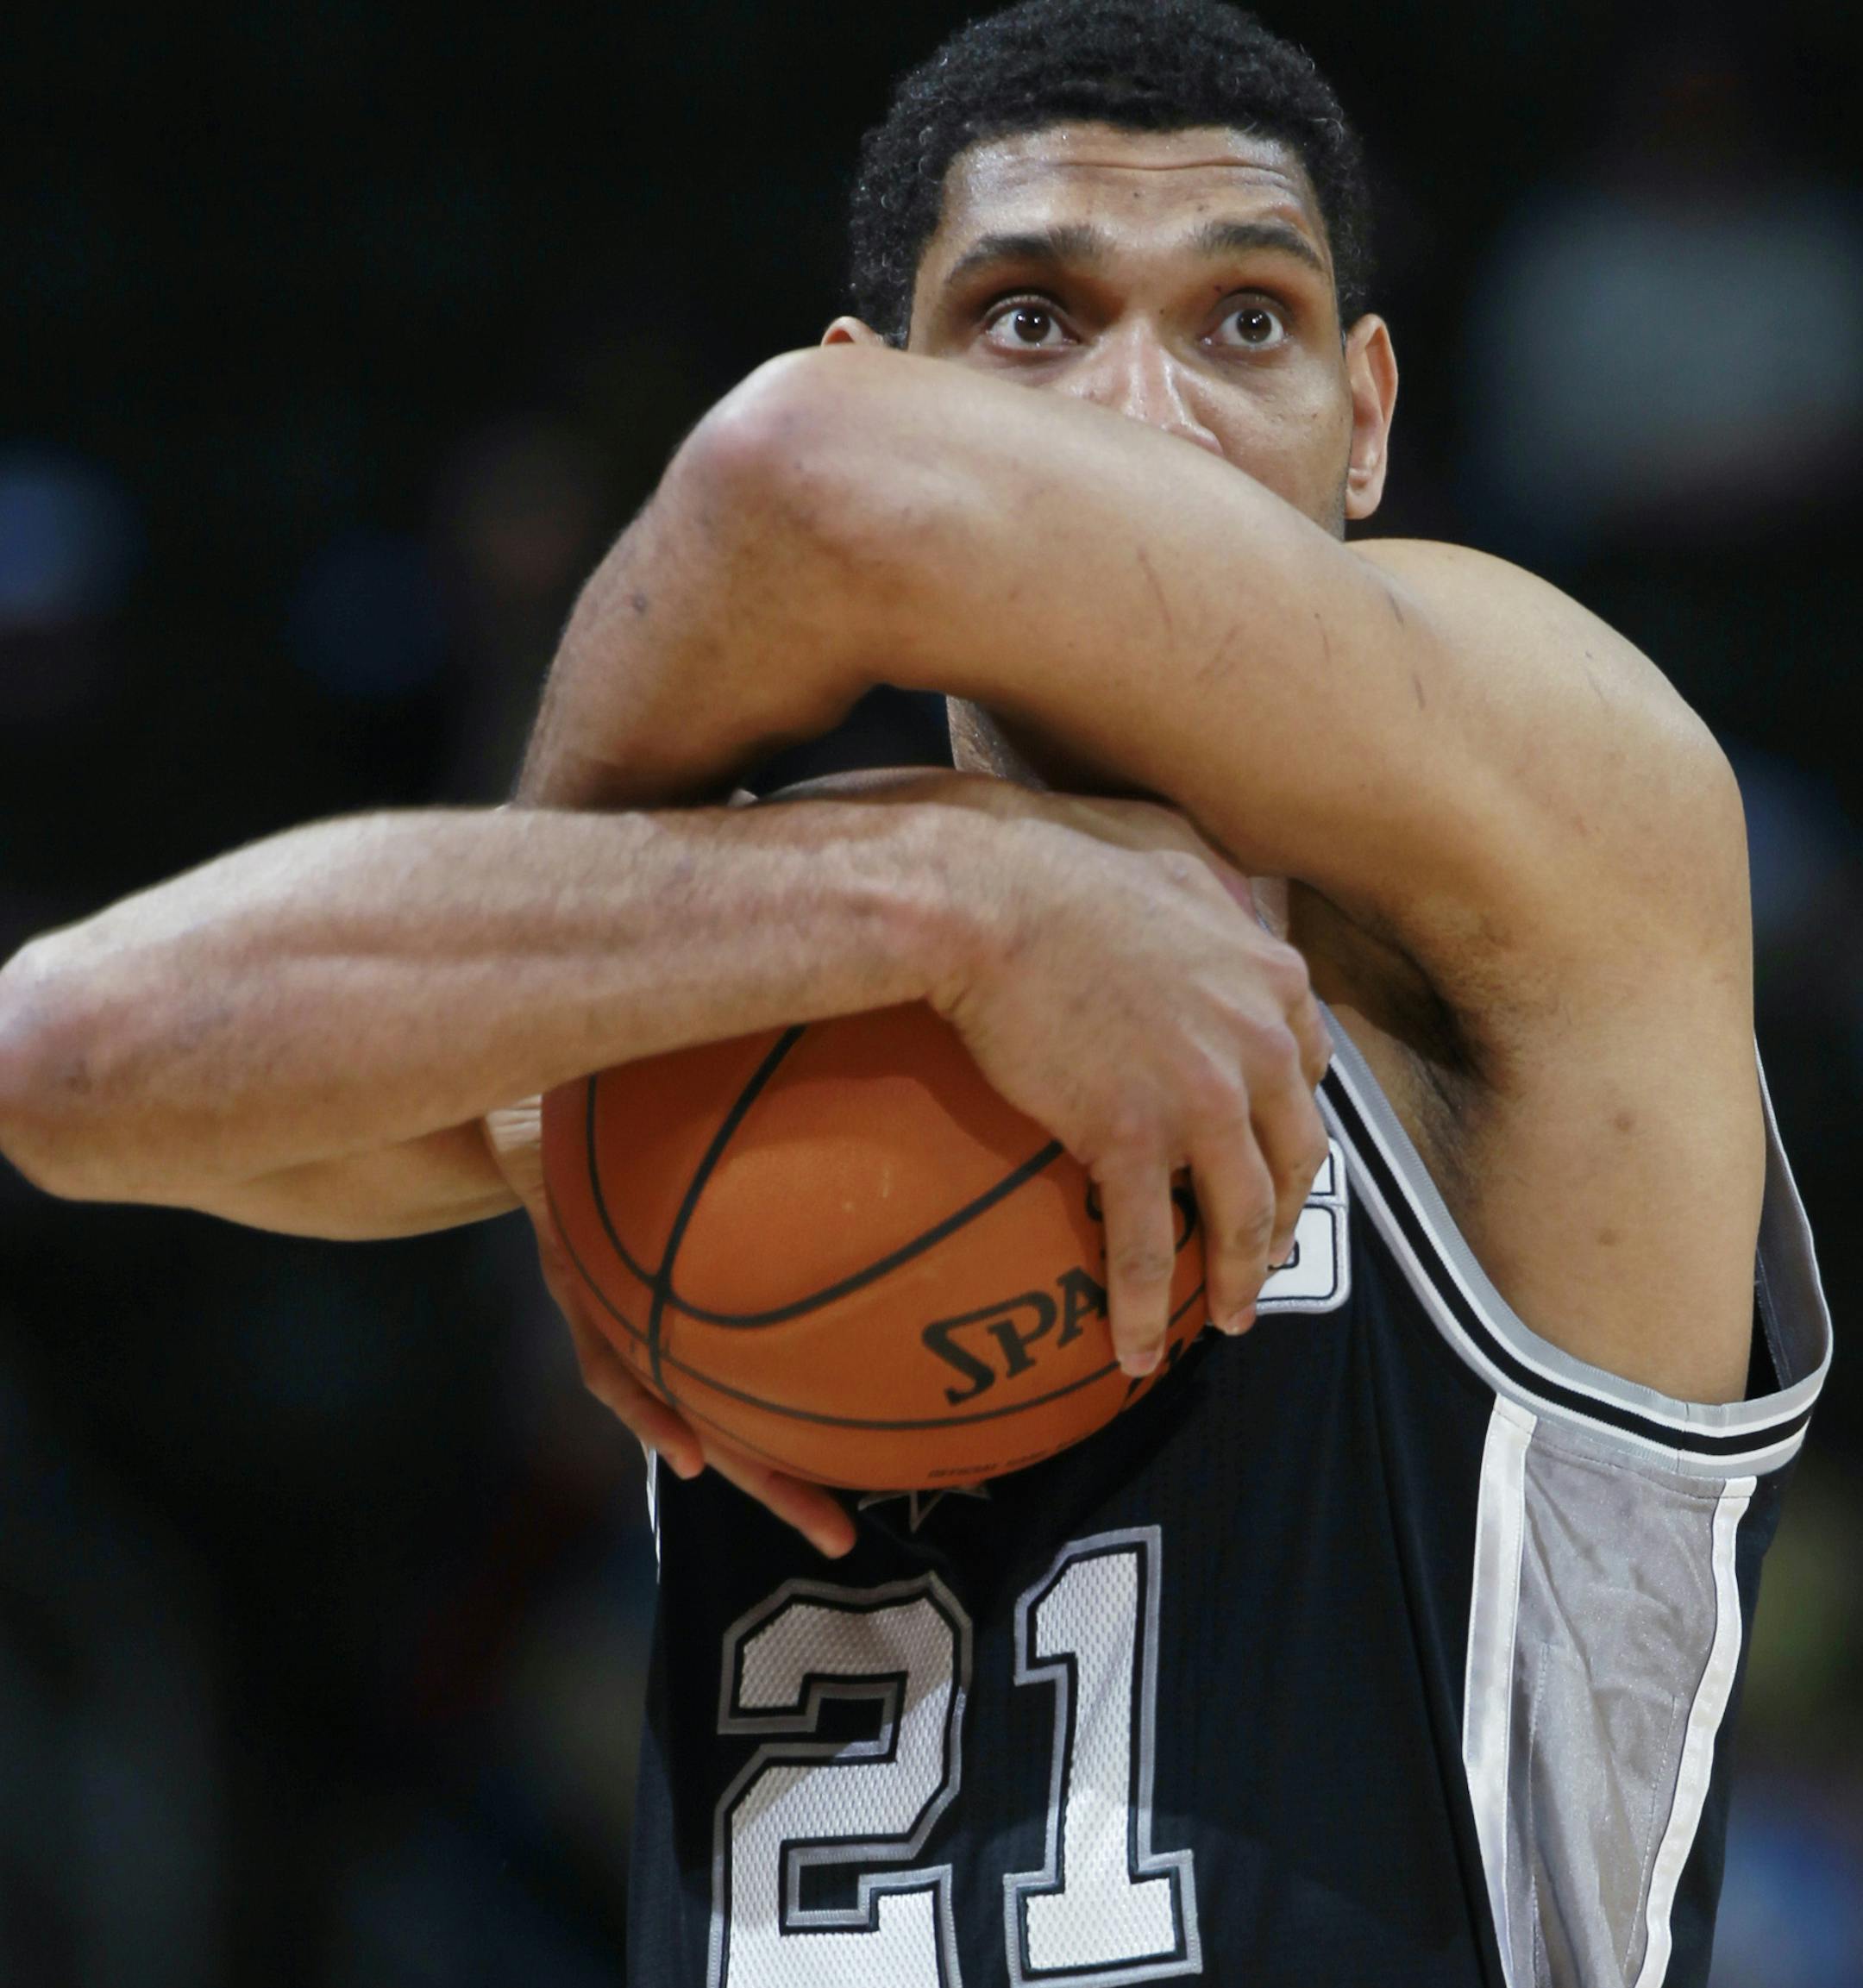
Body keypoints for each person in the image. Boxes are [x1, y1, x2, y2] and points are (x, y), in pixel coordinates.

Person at [0, 2, 1831, 1984]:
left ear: (1368, 417)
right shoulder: (769, 968)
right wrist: (939, 898)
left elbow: (802, 478)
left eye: (1250, 324)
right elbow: (58, 1056)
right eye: (1033, 322)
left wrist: (589, 990)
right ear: (897, 377)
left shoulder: (1555, 839)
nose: (1146, 415)